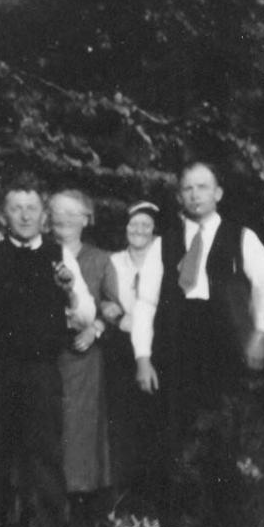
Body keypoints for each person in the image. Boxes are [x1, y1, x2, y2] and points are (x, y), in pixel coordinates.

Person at [132, 161, 264, 527]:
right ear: (179, 195)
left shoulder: (242, 237)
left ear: (218, 193)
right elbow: (146, 304)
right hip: (175, 353)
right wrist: (143, 357)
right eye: (187, 188)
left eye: (203, 187)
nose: (195, 195)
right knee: (173, 446)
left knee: (223, 446)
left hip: (223, 356)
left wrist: (261, 335)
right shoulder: (163, 244)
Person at [0, 177, 95, 527]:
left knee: (44, 454)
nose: (24, 215)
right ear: (4, 216)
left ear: (44, 215)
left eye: (32, 208)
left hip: (41, 371)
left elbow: (86, 316)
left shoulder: (60, 255)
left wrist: (69, 287)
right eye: (16, 208)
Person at [49, 189, 114, 527]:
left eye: (73, 213)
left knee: (80, 429)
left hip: (84, 357)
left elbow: (115, 306)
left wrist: (96, 330)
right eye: (58, 211)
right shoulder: (41, 252)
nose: (64, 219)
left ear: (87, 219)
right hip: (47, 353)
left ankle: (80, 508)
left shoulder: (101, 259)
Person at [100, 201, 161, 506]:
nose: (138, 230)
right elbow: (101, 296)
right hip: (121, 346)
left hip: (155, 346)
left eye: (146, 225)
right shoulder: (113, 261)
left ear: (154, 230)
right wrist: (107, 309)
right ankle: (121, 491)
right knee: (121, 416)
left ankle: (151, 489)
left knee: (154, 417)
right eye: (133, 224)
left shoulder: (164, 258)